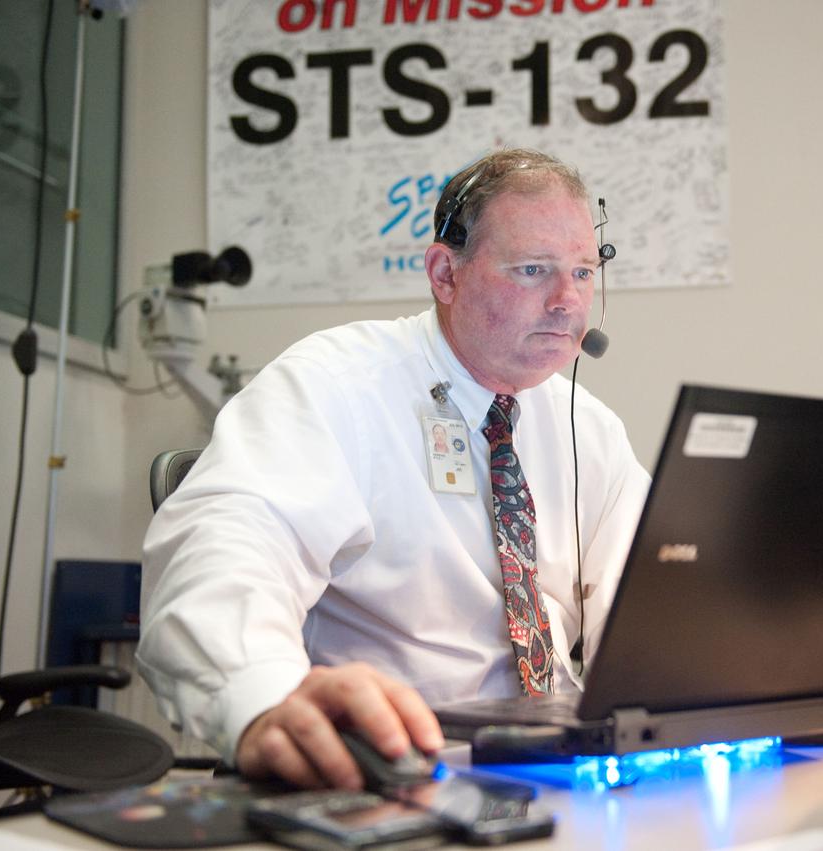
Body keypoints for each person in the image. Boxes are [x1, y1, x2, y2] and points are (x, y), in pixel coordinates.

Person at [137, 149, 650, 790]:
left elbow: (651, 599)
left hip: (561, 768)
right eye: (533, 270)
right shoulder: (337, 384)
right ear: (445, 274)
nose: (566, 301)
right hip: (391, 764)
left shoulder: (587, 428)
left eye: (581, 271)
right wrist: (264, 698)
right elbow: (224, 549)